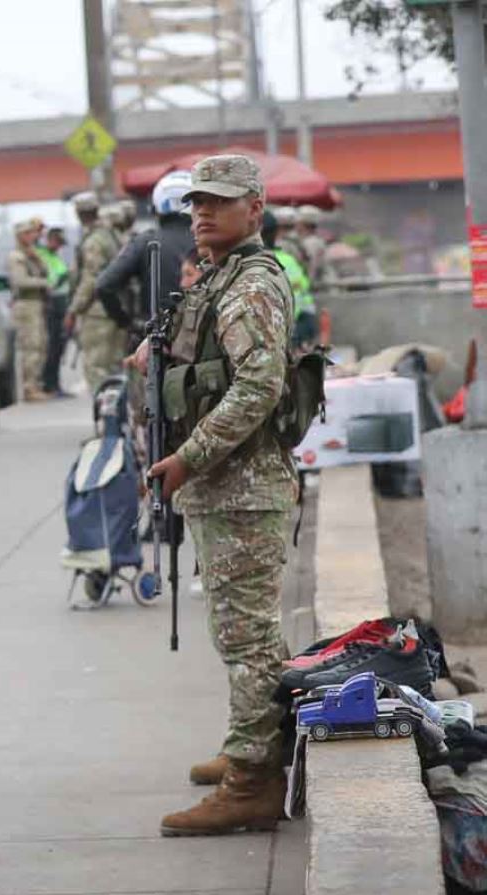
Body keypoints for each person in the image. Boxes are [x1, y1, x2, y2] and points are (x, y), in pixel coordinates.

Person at [141, 154, 295, 837]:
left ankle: (252, 782)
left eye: (220, 202)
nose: (202, 212)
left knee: (248, 635)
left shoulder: (252, 283)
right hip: (226, 488)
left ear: (255, 209)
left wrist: (188, 455)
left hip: (242, 486)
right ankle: (250, 744)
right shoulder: (221, 275)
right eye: (197, 202)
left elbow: (258, 387)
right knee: (239, 633)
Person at [98, 170, 196, 334]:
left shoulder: (145, 241)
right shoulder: (215, 242)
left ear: (156, 208)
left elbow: (104, 285)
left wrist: (128, 324)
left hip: (156, 337)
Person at [65, 192, 124, 395]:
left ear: (79, 213)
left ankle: (105, 420)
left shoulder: (94, 241)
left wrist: (74, 309)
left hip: (97, 311)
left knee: (96, 367)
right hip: (115, 307)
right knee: (116, 366)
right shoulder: (110, 234)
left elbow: (90, 278)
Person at [261, 209, 318, 349]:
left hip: (290, 326)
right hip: (305, 320)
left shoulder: (261, 263)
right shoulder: (288, 259)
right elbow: (304, 286)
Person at [9, 216, 51, 402]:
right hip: (26, 304)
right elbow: (20, 281)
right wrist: (43, 283)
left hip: (37, 303)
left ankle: (36, 384)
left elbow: (47, 270)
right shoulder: (16, 257)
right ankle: (29, 387)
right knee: (30, 346)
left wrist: (37, 258)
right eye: (26, 233)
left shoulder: (31, 254)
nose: (31, 236)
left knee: (41, 344)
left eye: (31, 233)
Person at [37, 226, 71, 395]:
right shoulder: (41, 255)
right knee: (53, 346)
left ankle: (55, 383)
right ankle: (50, 384)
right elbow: (50, 281)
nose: (59, 246)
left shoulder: (55, 256)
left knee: (59, 346)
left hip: (61, 302)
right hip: (52, 303)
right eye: (57, 242)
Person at [295, 206, 328, 285]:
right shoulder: (316, 240)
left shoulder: (310, 243)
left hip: (314, 288)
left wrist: (307, 284)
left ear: (303, 224)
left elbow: (312, 267)